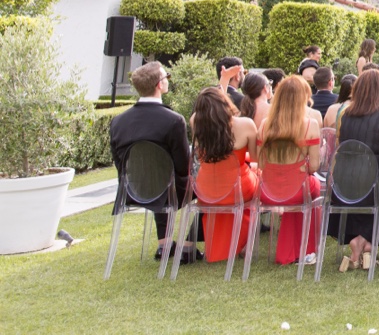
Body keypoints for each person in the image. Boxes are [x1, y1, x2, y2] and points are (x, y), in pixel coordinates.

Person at [109, 62, 200, 263]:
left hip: (133, 189)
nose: (168, 79)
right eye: (166, 76)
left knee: (159, 176)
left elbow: (119, 162)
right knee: (210, 184)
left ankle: (164, 243)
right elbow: (182, 164)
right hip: (170, 189)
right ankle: (189, 244)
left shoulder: (117, 122)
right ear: (160, 84)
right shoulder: (173, 120)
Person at [324, 69, 379, 271]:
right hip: (375, 182)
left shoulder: (346, 116)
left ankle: (357, 239)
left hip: (344, 181)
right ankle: (367, 241)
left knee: (362, 183)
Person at [258, 76, 322, 265]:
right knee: (312, 188)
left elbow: (261, 165)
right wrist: (301, 167)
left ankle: (293, 250)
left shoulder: (264, 125)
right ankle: (306, 250)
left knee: (300, 188)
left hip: (268, 192)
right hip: (297, 190)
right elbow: (315, 166)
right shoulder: (310, 125)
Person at [190, 87, 258, 264]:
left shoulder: (194, 122)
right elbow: (256, 157)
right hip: (238, 189)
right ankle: (245, 245)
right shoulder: (246, 124)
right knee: (258, 178)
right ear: (226, 103)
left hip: (206, 191)